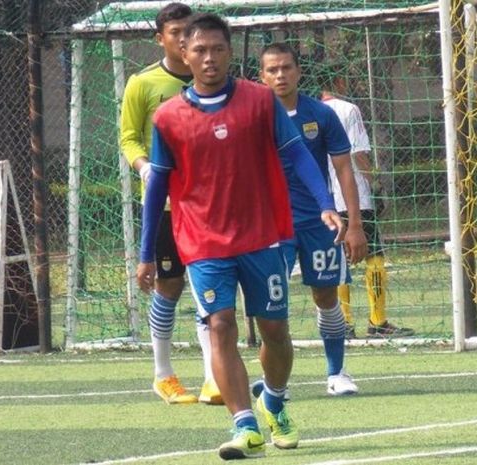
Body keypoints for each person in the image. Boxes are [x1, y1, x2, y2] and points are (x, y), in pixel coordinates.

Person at [136, 13, 345, 460]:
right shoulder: (168, 117)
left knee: (275, 331)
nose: (209, 59)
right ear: (184, 54)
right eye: (200, 51)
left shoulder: (259, 101)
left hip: (263, 235)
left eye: (217, 50)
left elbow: (296, 153)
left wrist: (325, 203)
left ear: (230, 53)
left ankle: (273, 397)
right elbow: (156, 188)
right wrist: (146, 251)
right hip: (203, 242)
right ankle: (245, 424)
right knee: (220, 325)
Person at [120, 3, 222, 405]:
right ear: (159, 37)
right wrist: (144, 167)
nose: (184, 39)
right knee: (170, 286)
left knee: (208, 288)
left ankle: (214, 376)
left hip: (205, 206)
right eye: (176, 31)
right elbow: (128, 137)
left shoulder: (214, 84)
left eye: (188, 31)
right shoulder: (142, 84)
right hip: (163, 206)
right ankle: (163, 374)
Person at [259, 43, 368, 396]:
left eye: (286, 68)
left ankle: (336, 372)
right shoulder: (254, 116)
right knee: (272, 304)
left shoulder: (321, 114)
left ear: (298, 71)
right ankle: (277, 381)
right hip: (271, 225)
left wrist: (354, 224)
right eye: (272, 70)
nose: (280, 75)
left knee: (325, 294)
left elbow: (344, 170)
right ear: (262, 75)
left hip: (318, 222)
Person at [320, 69, 415, 339]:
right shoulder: (349, 109)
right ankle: (377, 321)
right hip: (356, 197)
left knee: (340, 262)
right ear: (339, 81)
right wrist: (375, 181)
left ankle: (344, 324)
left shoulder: (313, 112)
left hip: (328, 200)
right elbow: (358, 153)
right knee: (374, 256)